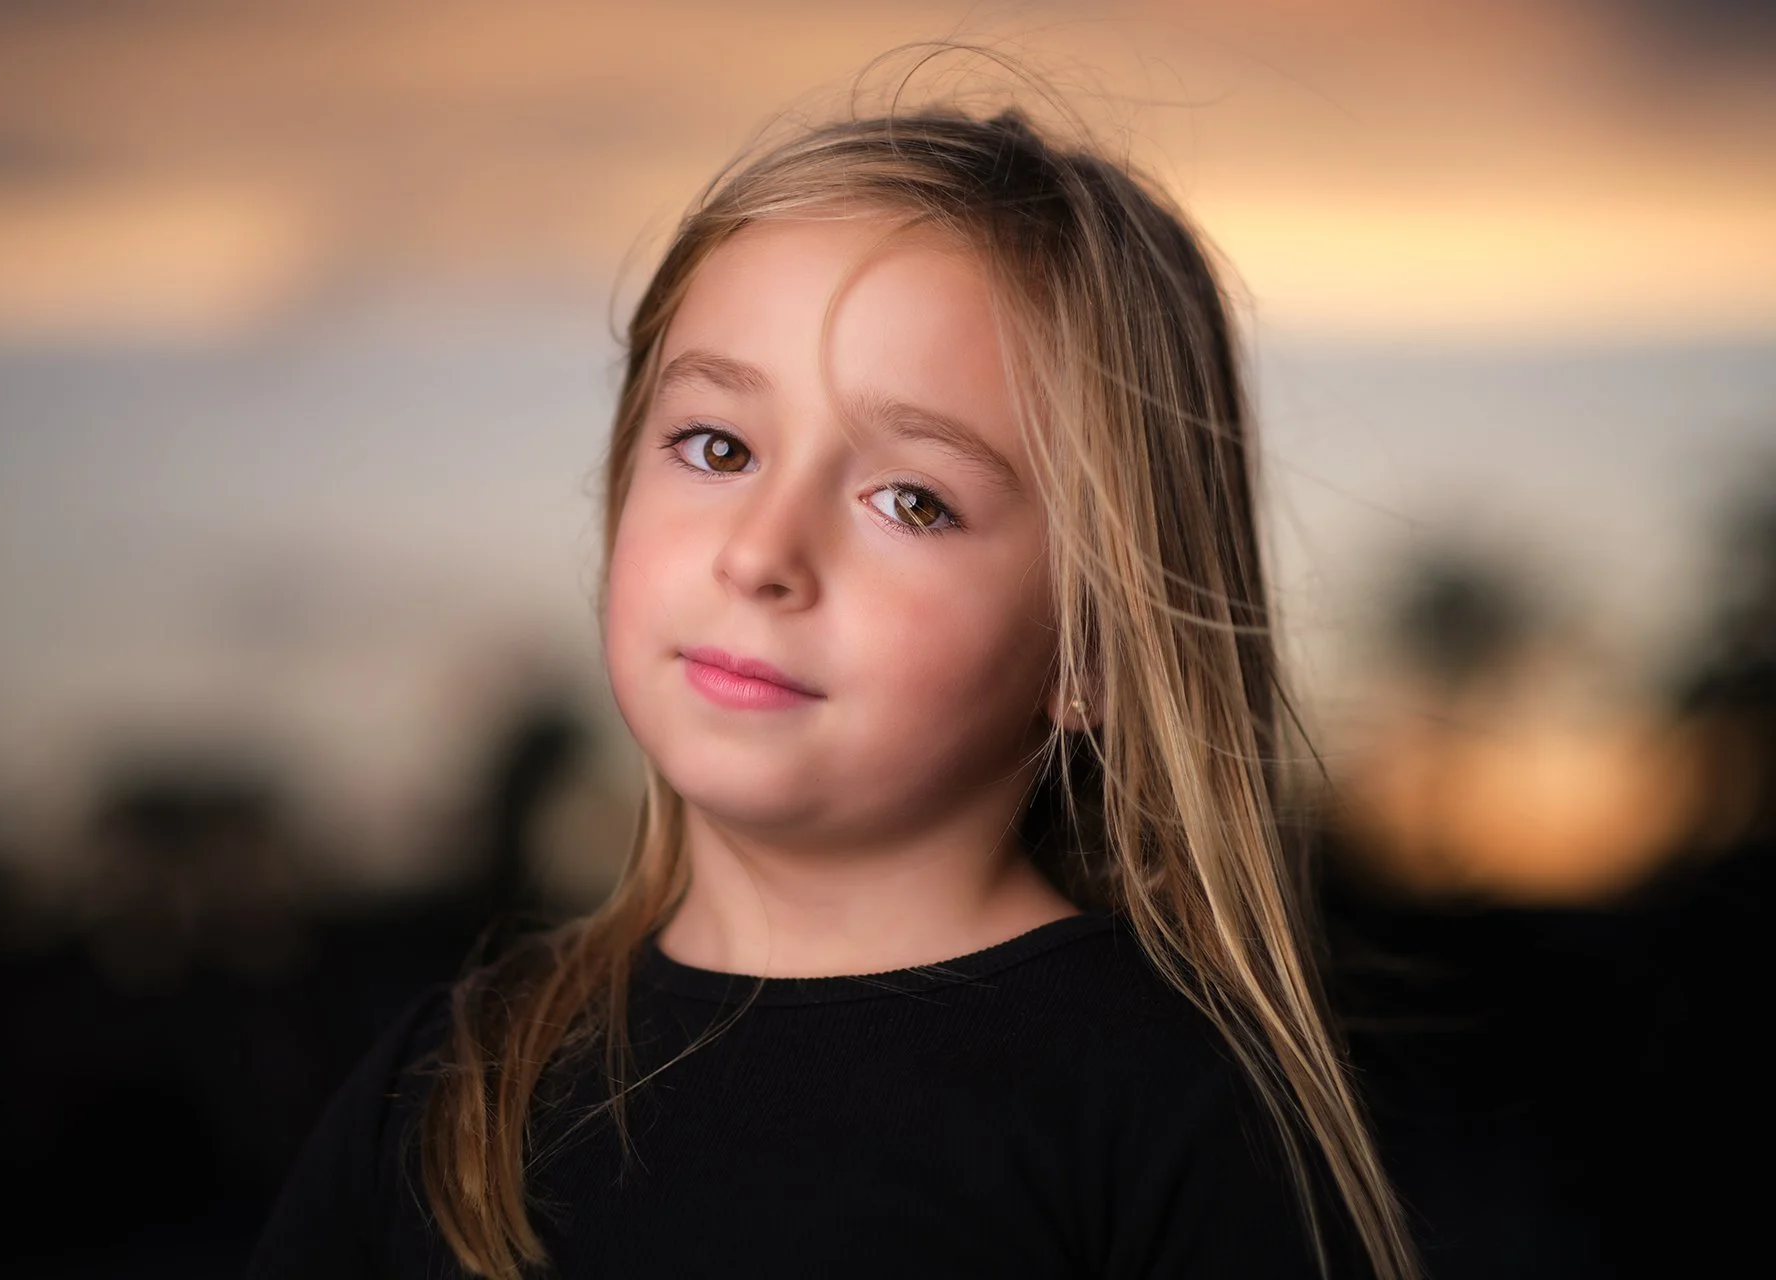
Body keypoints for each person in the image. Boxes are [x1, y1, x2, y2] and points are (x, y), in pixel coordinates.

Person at [249, 67, 1421, 1280]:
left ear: (1101, 646)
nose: (762, 551)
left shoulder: (1169, 1110)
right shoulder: (451, 1086)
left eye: (912, 500)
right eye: (717, 445)